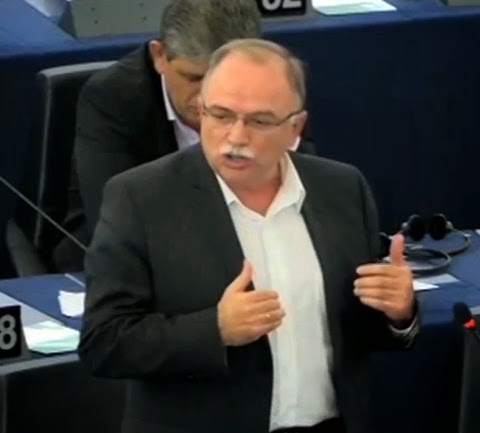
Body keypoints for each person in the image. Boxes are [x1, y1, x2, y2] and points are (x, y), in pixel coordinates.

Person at [78, 39, 418, 433]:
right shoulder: (140, 198)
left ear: (295, 128)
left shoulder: (342, 189)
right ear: (201, 110)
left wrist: (398, 312)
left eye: (259, 121)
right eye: (221, 115)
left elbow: (354, 331)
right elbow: (103, 342)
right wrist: (214, 330)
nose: (236, 136)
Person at [53, 0, 315, 272]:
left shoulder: (269, 88)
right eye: (194, 78)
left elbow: (304, 187)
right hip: (135, 263)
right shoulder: (113, 98)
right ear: (159, 56)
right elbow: (117, 222)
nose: (208, 97)